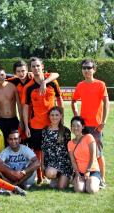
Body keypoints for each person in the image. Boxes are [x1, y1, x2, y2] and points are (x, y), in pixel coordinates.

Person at [22, 57, 63, 184]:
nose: (36, 68)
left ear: (42, 66)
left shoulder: (52, 82)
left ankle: (54, 175)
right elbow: (25, 108)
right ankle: (39, 177)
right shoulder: (28, 87)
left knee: (53, 150)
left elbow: (59, 100)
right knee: (38, 152)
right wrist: (26, 127)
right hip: (36, 125)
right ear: (30, 69)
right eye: (33, 66)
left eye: (38, 66)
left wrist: (62, 119)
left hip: (53, 124)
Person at [71, 59, 109, 187]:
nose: (86, 70)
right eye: (84, 68)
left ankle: (102, 179)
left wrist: (103, 121)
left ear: (94, 69)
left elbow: (106, 103)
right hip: (83, 127)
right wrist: (77, 116)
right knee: (82, 152)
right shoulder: (80, 85)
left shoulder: (100, 84)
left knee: (98, 154)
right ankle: (81, 175)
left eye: (89, 67)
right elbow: (73, 101)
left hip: (96, 126)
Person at [68, 116, 101, 194]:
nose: (75, 128)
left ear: (82, 127)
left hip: (92, 170)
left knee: (91, 190)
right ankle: (84, 182)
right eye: (73, 126)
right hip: (79, 172)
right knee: (79, 190)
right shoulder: (70, 143)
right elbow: (73, 161)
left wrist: (88, 171)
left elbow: (93, 156)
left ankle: (95, 182)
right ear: (71, 127)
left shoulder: (89, 137)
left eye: (78, 126)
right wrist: (77, 173)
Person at [41, 107, 72, 189]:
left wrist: (72, 164)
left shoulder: (66, 131)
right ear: (49, 116)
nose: (54, 117)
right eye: (52, 115)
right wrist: (42, 164)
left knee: (61, 187)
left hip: (63, 162)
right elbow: (43, 149)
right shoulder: (45, 130)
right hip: (51, 162)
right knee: (50, 174)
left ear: (61, 116)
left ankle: (67, 177)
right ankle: (56, 178)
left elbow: (69, 149)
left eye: (57, 115)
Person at [0, 67, 22, 145]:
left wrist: (21, 121)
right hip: (0, 121)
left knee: (16, 144)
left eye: (2, 75)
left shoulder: (12, 87)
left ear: (5, 75)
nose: (0, 77)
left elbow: (19, 105)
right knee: (1, 145)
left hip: (13, 120)